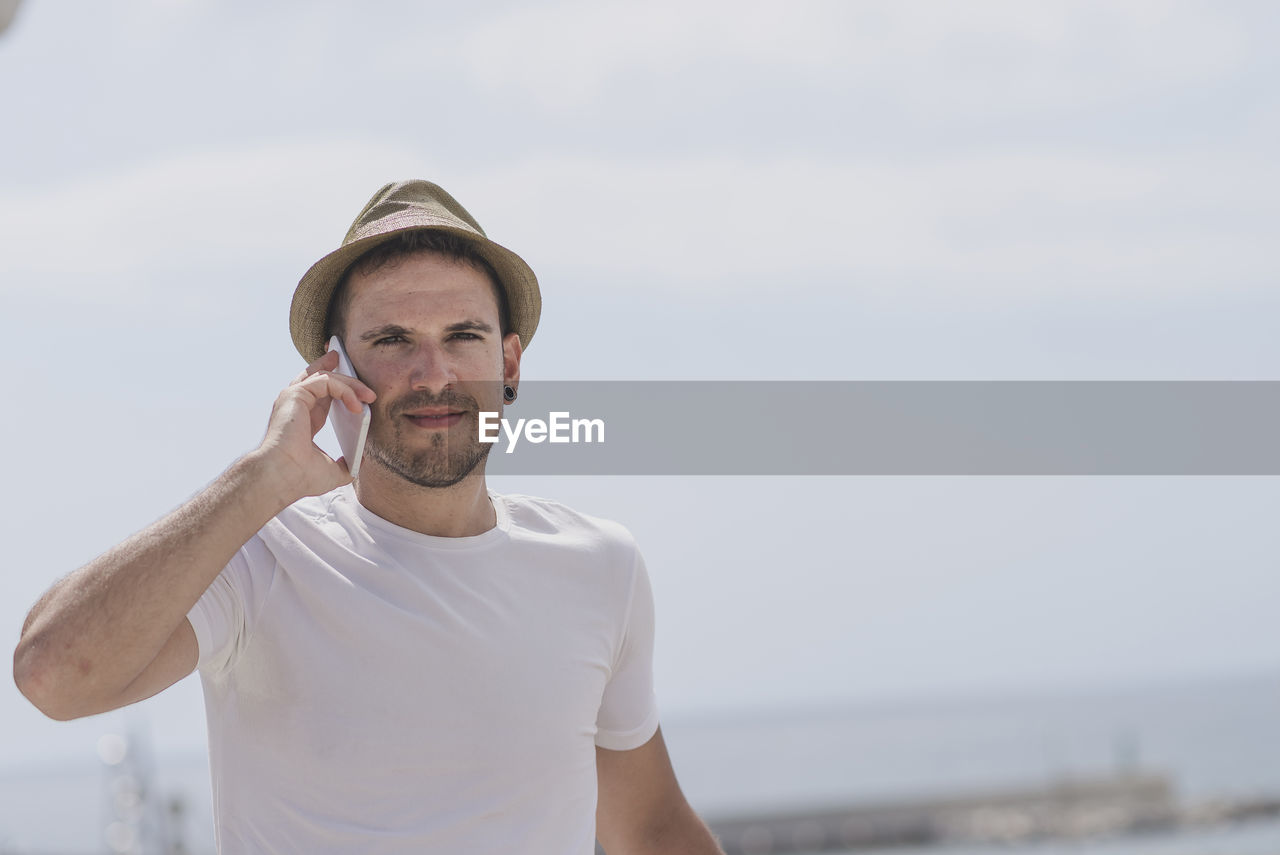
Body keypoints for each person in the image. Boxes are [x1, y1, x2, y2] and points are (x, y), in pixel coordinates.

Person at [14, 180, 725, 854]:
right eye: (392, 340)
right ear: (333, 369)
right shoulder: (261, 557)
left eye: (463, 336)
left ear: (509, 362)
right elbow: (53, 673)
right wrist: (262, 476)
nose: (434, 373)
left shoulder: (599, 565)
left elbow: (655, 829)